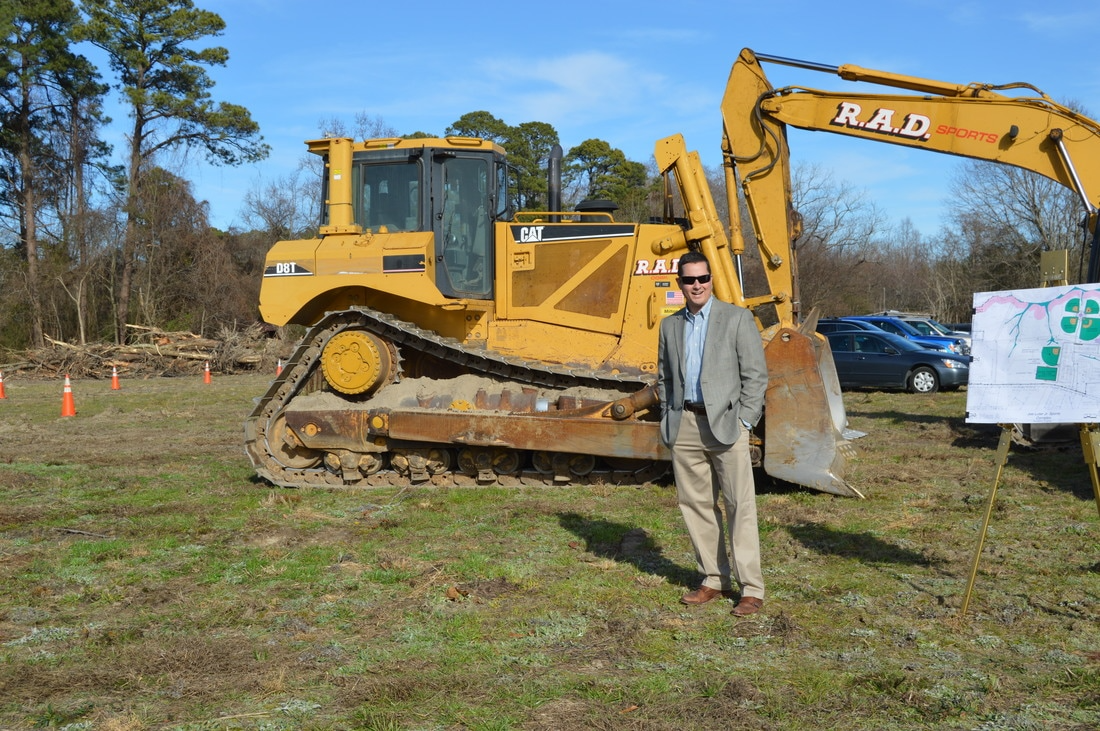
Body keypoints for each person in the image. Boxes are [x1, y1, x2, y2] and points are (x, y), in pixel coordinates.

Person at [656, 250, 769, 616]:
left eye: (703, 278)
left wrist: (745, 421)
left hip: (727, 425)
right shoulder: (670, 326)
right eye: (690, 280)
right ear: (680, 284)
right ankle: (714, 579)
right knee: (696, 505)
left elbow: (756, 375)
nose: (697, 285)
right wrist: (668, 418)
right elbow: (664, 378)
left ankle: (751, 588)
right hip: (685, 425)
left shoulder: (736, 318)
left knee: (740, 506)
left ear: (711, 280)